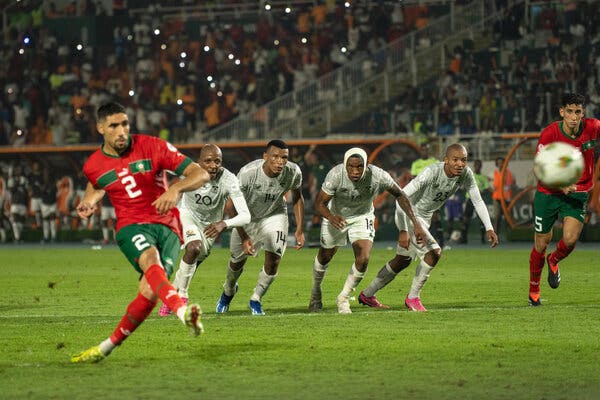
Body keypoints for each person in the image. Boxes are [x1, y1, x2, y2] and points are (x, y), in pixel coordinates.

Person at [70, 102, 210, 364]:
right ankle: (182, 311)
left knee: (150, 291)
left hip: (168, 227)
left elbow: (199, 174)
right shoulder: (93, 164)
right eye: (114, 126)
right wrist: (89, 201)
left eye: (125, 124)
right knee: (150, 259)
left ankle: (105, 348)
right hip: (131, 225)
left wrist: (175, 189)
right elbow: (98, 184)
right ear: (101, 128)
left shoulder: (153, 146)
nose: (121, 131)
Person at [358, 144, 499, 311]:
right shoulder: (431, 172)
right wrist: (404, 230)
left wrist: (489, 227)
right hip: (409, 213)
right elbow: (401, 197)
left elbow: (477, 200)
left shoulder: (466, 174)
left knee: (402, 260)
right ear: (446, 160)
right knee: (434, 253)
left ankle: (367, 294)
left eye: (464, 160)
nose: (460, 164)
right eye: (455, 160)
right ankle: (413, 298)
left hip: (424, 219)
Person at [307, 147, 427, 314]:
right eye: (351, 166)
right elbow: (319, 203)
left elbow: (400, 195)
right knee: (325, 255)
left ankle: (344, 297)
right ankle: (315, 291)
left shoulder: (378, 175)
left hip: (362, 216)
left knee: (363, 258)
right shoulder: (335, 175)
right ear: (345, 165)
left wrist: (416, 224)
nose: (355, 171)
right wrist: (331, 217)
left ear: (367, 165)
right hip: (335, 216)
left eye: (359, 167)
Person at [157, 144, 250, 316]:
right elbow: (162, 164)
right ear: (199, 162)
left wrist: (224, 223)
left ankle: (169, 295)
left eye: (217, 161)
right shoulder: (189, 170)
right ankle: (182, 296)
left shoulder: (229, 180)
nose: (213, 165)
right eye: (208, 161)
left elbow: (246, 216)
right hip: (187, 215)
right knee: (193, 247)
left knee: (192, 262)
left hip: (210, 227)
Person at [215, 139, 305, 316]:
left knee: (274, 261)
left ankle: (256, 299)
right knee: (236, 264)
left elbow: (297, 197)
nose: (280, 161)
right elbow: (230, 208)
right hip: (246, 218)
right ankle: (228, 291)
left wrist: (300, 229)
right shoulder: (248, 173)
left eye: (284, 157)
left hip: (275, 215)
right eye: (275, 157)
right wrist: (244, 237)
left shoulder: (293, 172)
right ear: (265, 157)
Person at [528, 92, 600, 306]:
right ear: (562, 112)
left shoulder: (593, 127)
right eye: (569, 111)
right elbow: (539, 169)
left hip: (578, 193)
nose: (574, 117)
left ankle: (554, 259)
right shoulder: (549, 134)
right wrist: (561, 184)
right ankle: (534, 291)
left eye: (578, 112)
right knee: (541, 243)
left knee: (569, 240)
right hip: (548, 193)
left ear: (582, 113)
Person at [460, 159, 491, 244]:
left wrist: (482, 191)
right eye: (476, 165)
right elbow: (462, 186)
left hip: (478, 200)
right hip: (470, 199)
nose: (477, 166)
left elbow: (487, 189)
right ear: (474, 166)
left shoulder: (483, 178)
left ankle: (483, 238)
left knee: (482, 219)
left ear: (481, 166)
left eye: (479, 165)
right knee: (466, 219)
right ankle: (463, 238)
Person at [492, 157, 514, 234]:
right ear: (497, 164)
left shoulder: (509, 173)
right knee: (497, 217)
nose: (501, 164)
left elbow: (511, 184)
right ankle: (495, 235)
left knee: (509, 216)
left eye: (502, 162)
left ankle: (510, 234)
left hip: (507, 199)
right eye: (499, 163)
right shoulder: (494, 173)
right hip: (497, 198)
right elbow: (493, 186)